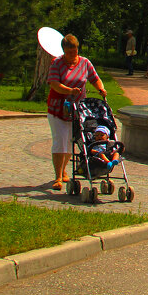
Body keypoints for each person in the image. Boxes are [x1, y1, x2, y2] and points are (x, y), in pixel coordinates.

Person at [46, 34, 107, 190]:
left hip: (78, 110)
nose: (73, 55)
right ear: (64, 51)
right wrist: (69, 90)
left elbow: (94, 78)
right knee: (60, 141)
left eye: (75, 51)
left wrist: (100, 88)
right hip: (59, 108)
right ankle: (58, 177)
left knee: (69, 142)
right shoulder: (57, 63)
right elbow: (54, 84)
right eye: (69, 52)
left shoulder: (85, 62)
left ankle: (64, 170)